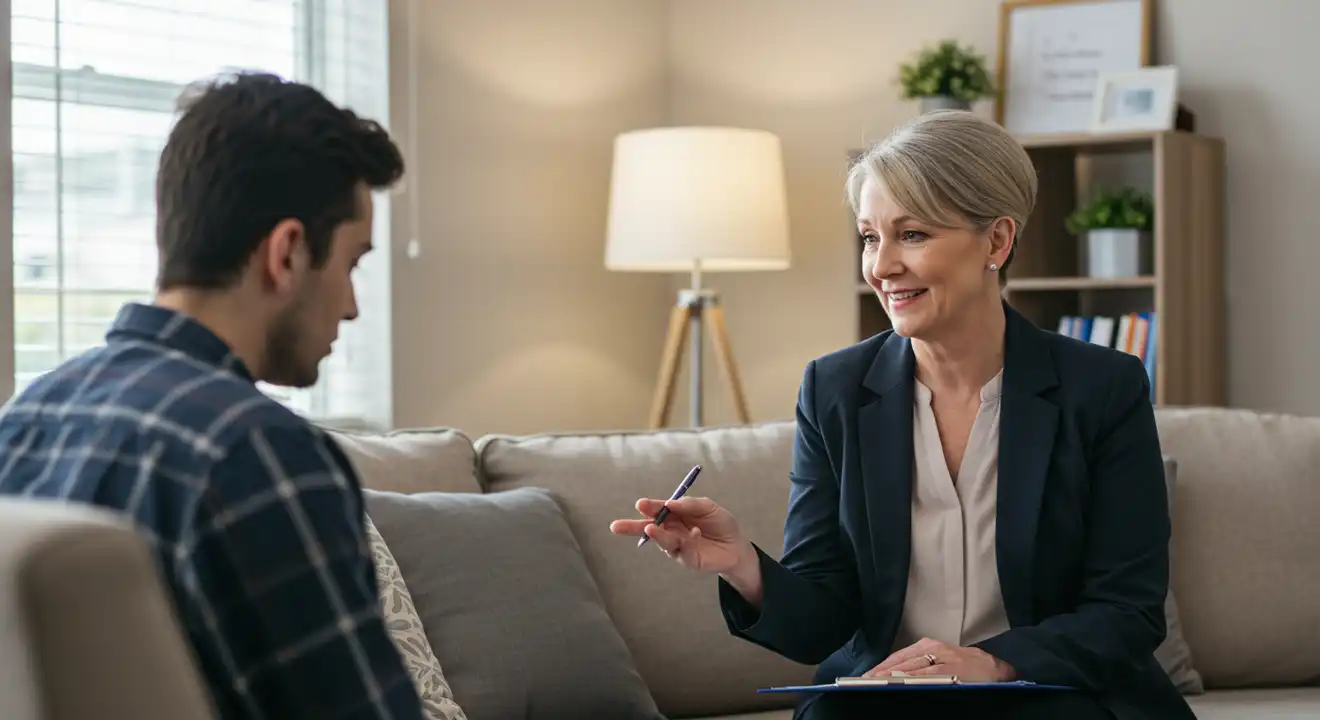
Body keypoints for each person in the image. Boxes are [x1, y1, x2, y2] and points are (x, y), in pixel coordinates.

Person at [610, 111, 1195, 720]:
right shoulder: (833, 390)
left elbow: (1127, 611)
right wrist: (743, 565)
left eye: (911, 234)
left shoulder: (1101, 388)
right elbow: (823, 622)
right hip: (889, 702)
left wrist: (992, 664)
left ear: (997, 240)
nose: (881, 267)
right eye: (869, 237)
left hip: (1049, 693)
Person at [0, 72, 425, 719]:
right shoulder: (257, 453)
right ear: (286, 252)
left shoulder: (29, 416)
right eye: (351, 263)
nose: (353, 306)